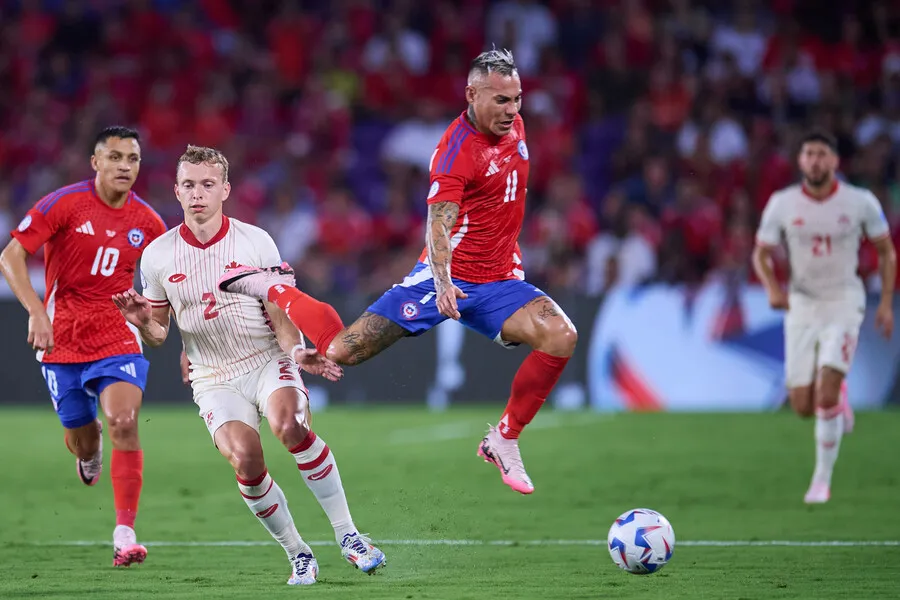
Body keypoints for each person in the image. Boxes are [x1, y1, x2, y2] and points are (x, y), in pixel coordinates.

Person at [218, 49, 578, 496]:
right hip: (445, 280)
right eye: (501, 100)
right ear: (472, 94)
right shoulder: (455, 151)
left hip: (501, 279)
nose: (511, 111)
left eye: (516, 99)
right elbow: (438, 224)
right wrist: (444, 283)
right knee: (341, 351)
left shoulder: (514, 128)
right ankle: (271, 285)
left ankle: (503, 439)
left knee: (561, 336)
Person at [112, 145, 385, 586]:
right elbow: (161, 334)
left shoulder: (255, 241)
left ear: (225, 189)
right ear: (176, 191)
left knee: (292, 426)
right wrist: (143, 322)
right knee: (246, 460)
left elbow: (279, 312)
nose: (197, 193)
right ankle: (298, 553)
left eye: (206, 184)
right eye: (188, 185)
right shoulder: (158, 256)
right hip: (212, 375)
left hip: (266, 358)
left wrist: (297, 353)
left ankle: (349, 536)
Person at [0, 126, 167, 566]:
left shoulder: (150, 224)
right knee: (84, 438)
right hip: (63, 334)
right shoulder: (64, 204)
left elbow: (165, 294)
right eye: (114, 157)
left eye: (132, 159)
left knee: (124, 421)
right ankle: (88, 454)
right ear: (96, 162)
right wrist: (37, 312)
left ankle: (125, 533)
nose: (124, 166)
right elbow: (10, 256)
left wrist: (156, 327)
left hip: (117, 333)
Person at [752, 129, 896, 504]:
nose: (815, 160)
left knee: (826, 392)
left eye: (822, 154)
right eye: (809, 154)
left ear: (834, 161)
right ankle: (837, 395)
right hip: (802, 304)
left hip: (844, 301)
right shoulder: (782, 204)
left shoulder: (860, 201)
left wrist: (884, 304)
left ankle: (821, 480)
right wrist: (771, 288)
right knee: (801, 405)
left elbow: (886, 252)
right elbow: (761, 254)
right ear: (801, 161)